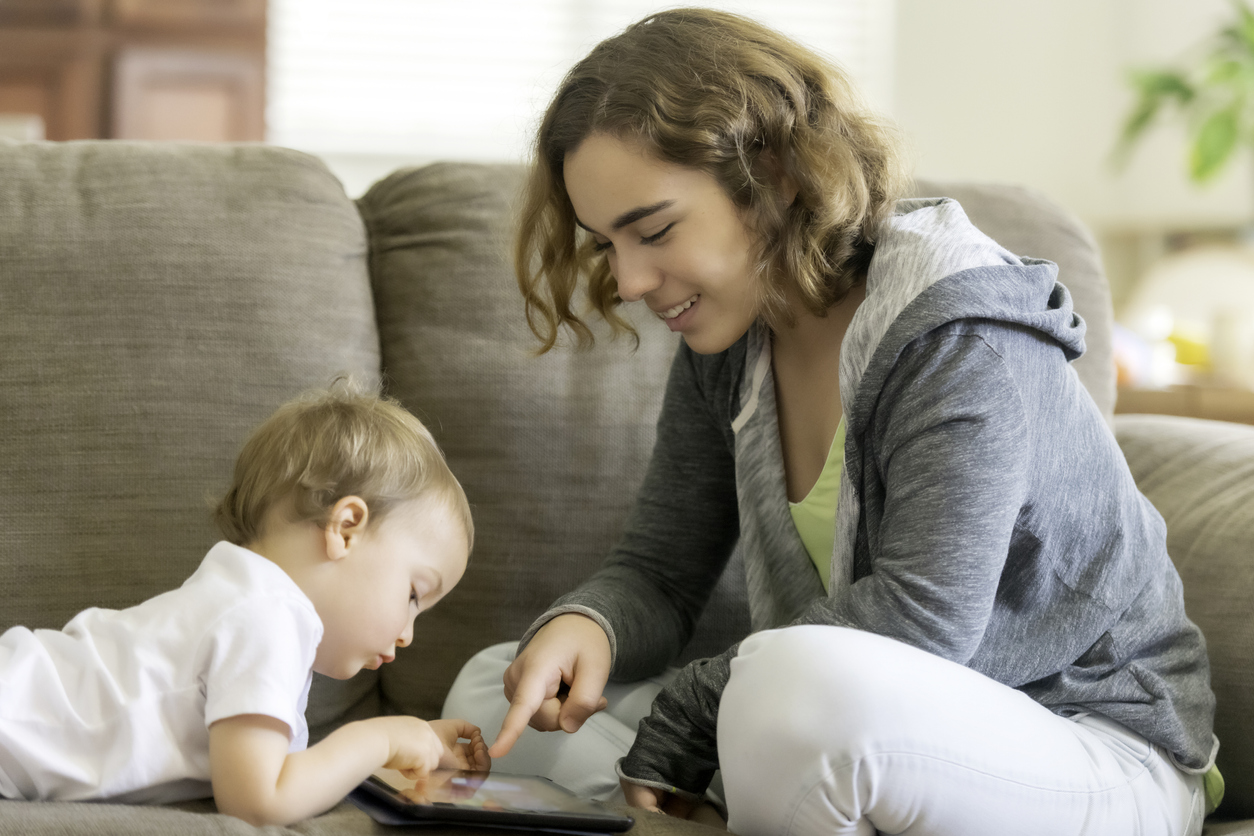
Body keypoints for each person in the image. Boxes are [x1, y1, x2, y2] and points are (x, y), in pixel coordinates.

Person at [442, 8, 1221, 836]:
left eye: (655, 230)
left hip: (1089, 741)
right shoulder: (728, 344)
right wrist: (582, 626)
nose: (630, 280)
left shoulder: (959, 334)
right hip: (852, 721)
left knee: (786, 692)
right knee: (497, 692)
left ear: (772, 173)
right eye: (606, 246)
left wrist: (695, 707)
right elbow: (661, 575)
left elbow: (923, 625)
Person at [0, 383, 489, 826]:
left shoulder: (250, 603)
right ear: (345, 528)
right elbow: (259, 800)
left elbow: (275, 770)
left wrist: (408, 747)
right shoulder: (268, 616)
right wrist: (379, 739)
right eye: (412, 596)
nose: (407, 633)